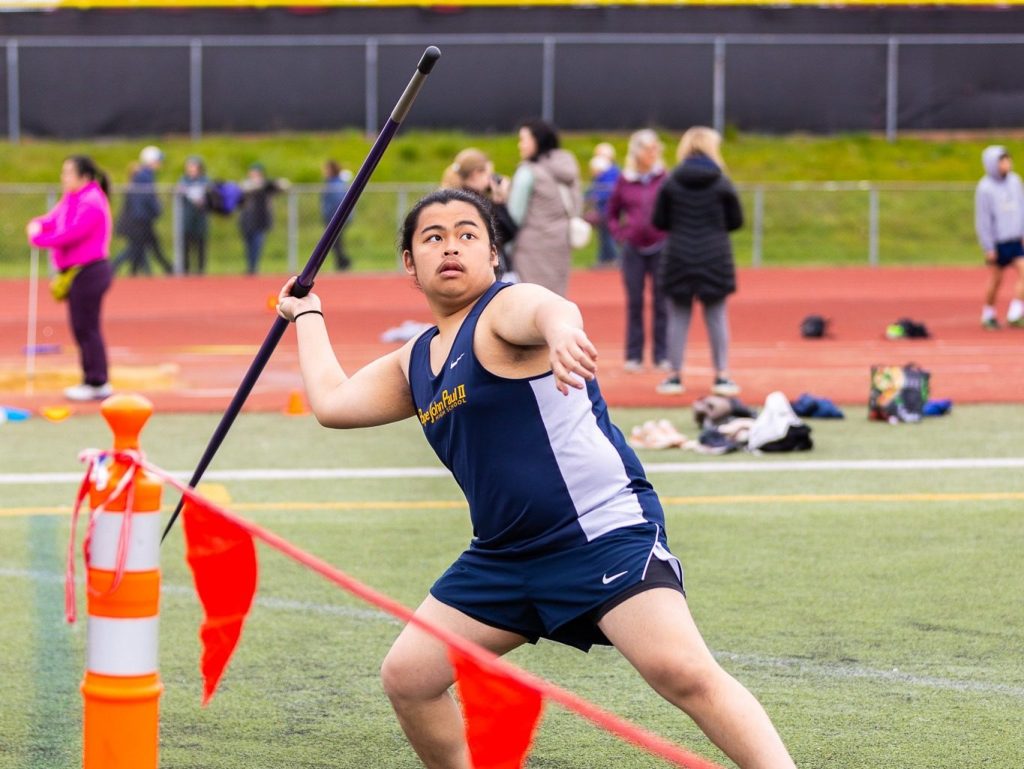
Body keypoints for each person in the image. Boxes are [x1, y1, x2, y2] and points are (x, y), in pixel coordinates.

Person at [275, 187, 796, 769]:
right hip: (503, 556)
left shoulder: (502, 311)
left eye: (468, 234)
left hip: (598, 531)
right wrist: (309, 314)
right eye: (433, 237)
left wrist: (562, 330)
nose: (452, 247)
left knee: (681, 672)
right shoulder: (414, 359)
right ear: (410, 264)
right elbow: (334, 403)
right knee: (408, 677)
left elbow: (544, 307)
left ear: (493, 254)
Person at [652, 127, 743, 397]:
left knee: (678, 317)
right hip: (715, 255)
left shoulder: (670, 182)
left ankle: (674, 375)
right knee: (716, 316)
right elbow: (736, 221)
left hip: (678, 254)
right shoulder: (721, 182)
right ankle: (722, 376)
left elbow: (659, 220)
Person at [27, 156, 114, 402]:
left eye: (68, 173)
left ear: (83, 177)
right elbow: (54, 220)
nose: (63, 177)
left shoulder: (92, 201)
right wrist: (38, 224)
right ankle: (91, 378)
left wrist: (40, 240)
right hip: (75, 273)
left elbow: (72, 233)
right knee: (81, 327)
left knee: (87, 327)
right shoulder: (72, 198)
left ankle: (97, 381)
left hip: (90, 271)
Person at [606, 129, 669, 374]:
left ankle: (662, 355)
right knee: (635, 302)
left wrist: (669, 233)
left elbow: (674, 209)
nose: (654, 153)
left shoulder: (664, 178)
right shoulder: (625, 179)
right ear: (637, 152)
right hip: (633, 250)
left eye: (656, 149)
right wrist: (620, 234)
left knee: (662, 303)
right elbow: (612, 212)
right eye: (649, 149)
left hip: (662, 247)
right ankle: (633, 356)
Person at [507, 119, 583, 296]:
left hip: (530, 248)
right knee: (555, 300)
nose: (520, 145)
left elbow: (514, 216)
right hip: (560, 243)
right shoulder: (567, 166)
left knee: (530, 301)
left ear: (537, 140)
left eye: (523, 139)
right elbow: (576, 204)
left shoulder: (528, 171)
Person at [440, 147, 517, 278]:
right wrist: (500, 202)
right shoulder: (477, 203)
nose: (491, 180)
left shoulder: (452, 198)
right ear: (476, 174)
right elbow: (506, 233)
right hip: (484, 272)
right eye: (489, 175)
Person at [974, 145, 1024, 329]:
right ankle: (988, 313)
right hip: (998, 242)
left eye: (1008, 160)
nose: (1007, 164)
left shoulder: (1015, 182)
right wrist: (989, 247)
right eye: (1002, 161)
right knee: (996, 280)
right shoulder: (985, 188)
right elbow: (983, 219)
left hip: (1015, 239)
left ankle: (1016, 312)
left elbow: (1021, 208)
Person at [112, 145, 172, 276]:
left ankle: (142, 271)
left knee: (142, 247)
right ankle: (112, 268)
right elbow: (146, 199)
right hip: (140, 220)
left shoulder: (144, 175)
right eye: (158, 161)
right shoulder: (143, 177)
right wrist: (156, 210)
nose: (160, 164)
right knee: (138, 247)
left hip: (141, 219)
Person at [238, 163, 289, 275]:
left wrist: (269, 183)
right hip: (247, 220)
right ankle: (250, 267)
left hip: (260, 220)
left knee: (257, 244)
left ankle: (254, 267)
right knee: (248, 245)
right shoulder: (246, 185)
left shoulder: (267, 186)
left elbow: (283, 185)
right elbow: (242, 190)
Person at [585, 142, 621, 268]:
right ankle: (603, 259)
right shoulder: (602, 170)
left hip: (609, 209)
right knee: (603, 236)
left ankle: (615, 259)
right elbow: (592, 188)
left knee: (609, 235)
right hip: (602, 209)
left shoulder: (612, 171)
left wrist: (596, 196)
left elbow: (609, 191)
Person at [178, 156, 210, 275]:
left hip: (200, 218)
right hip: (187, 218)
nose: (191, 169)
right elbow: (180, 196)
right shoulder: (183, 180)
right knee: (186, 244)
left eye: (193, 166)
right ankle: (185, 269)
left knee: (200, 244)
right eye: (189, 167)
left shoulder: (205, 180)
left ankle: (200, 270)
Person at [321, 160, 353, 271]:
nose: (324, 171)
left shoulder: (336, 184)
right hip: (331, 217)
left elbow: (338, 201)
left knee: (335, 242)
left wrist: (335, 217)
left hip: (337, 218)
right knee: (335, 242)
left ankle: (344, 263)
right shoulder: (330, 182)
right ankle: (342, 263)